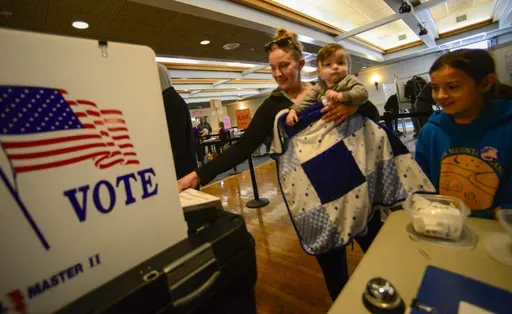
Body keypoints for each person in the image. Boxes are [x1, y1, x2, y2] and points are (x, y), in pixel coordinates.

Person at [178, 28, 380, 301]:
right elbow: (242, 148)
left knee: (380, 253)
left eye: (283, 66)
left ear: (301, 64)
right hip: (313, 200)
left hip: (354, 185)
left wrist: (352, 107)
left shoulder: (327, 89)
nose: (277, 74)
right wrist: (197, 175)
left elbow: (372, 113)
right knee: (335, 274)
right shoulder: (272, 106)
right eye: (272, 68)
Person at [415, 49, 512, 219]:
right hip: (446, 225)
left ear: (486, 83)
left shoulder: (507, 127)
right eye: (435, 88)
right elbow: (421, 184)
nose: (441, 96)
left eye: (453, 87)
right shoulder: (430, 133)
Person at [285, 43, 368, 126]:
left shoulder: (349, 80)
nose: (335, 67)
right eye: (328, 64)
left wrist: (342, 96)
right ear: (319, 72)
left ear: (348, 67)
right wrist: (294, 110)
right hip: (328, 126)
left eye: (341, 63)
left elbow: (363, 93)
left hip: (352, 123)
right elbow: (307, 100)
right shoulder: (320, 86)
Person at [157, 64, 197, 180]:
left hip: (179, 169)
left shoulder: (169, 102)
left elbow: (175, 141)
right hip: (185, 165)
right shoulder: (175, 99)